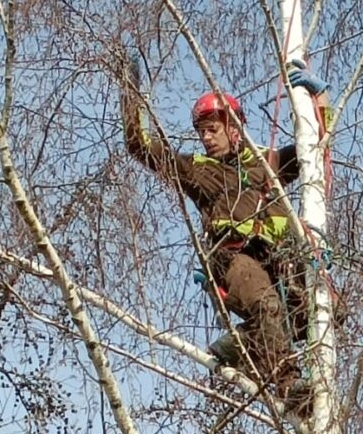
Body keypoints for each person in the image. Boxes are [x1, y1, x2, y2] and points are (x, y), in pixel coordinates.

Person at [120, 51, 328, 413]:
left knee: (319, 315)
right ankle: (290, 385)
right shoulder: (198, 170)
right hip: (233, 257)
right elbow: (140, 146)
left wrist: (317, 101)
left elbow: (315, 149)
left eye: (212, 130)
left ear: (234, 128)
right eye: (201, 132)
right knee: (266, 305)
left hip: (280, 259)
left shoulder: (267, 163)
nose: (205, 139)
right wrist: (130, 91)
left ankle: (238, 346)